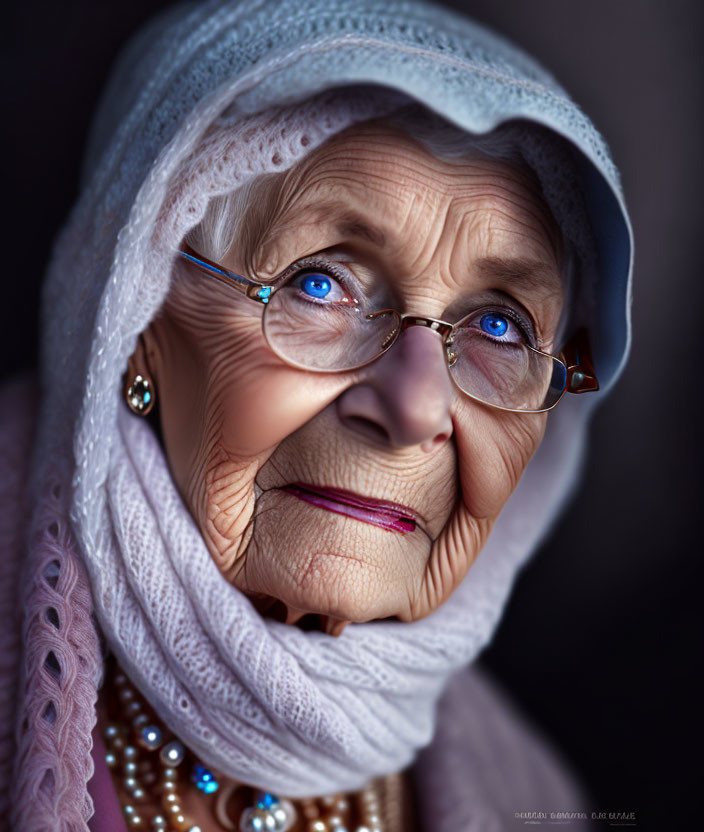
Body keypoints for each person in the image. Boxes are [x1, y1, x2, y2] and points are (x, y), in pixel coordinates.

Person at [0, 1, 633, 830]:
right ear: (137, 320)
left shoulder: (532, 801)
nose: (413, 406)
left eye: (499, 326)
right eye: (320, 283)